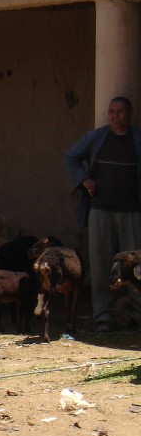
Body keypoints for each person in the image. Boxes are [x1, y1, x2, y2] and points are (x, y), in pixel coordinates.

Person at [66, 96, 141, 332]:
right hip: (100, 209)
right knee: (100, 262)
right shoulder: (96, 137)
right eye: (112, 111)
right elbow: (71, 158)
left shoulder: (137, 139)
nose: (116, 116)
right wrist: (84, 179)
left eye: (120, 111)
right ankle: (103, 317)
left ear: (129, 114)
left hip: (132, 210)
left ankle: (137, 314)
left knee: (135, 266)